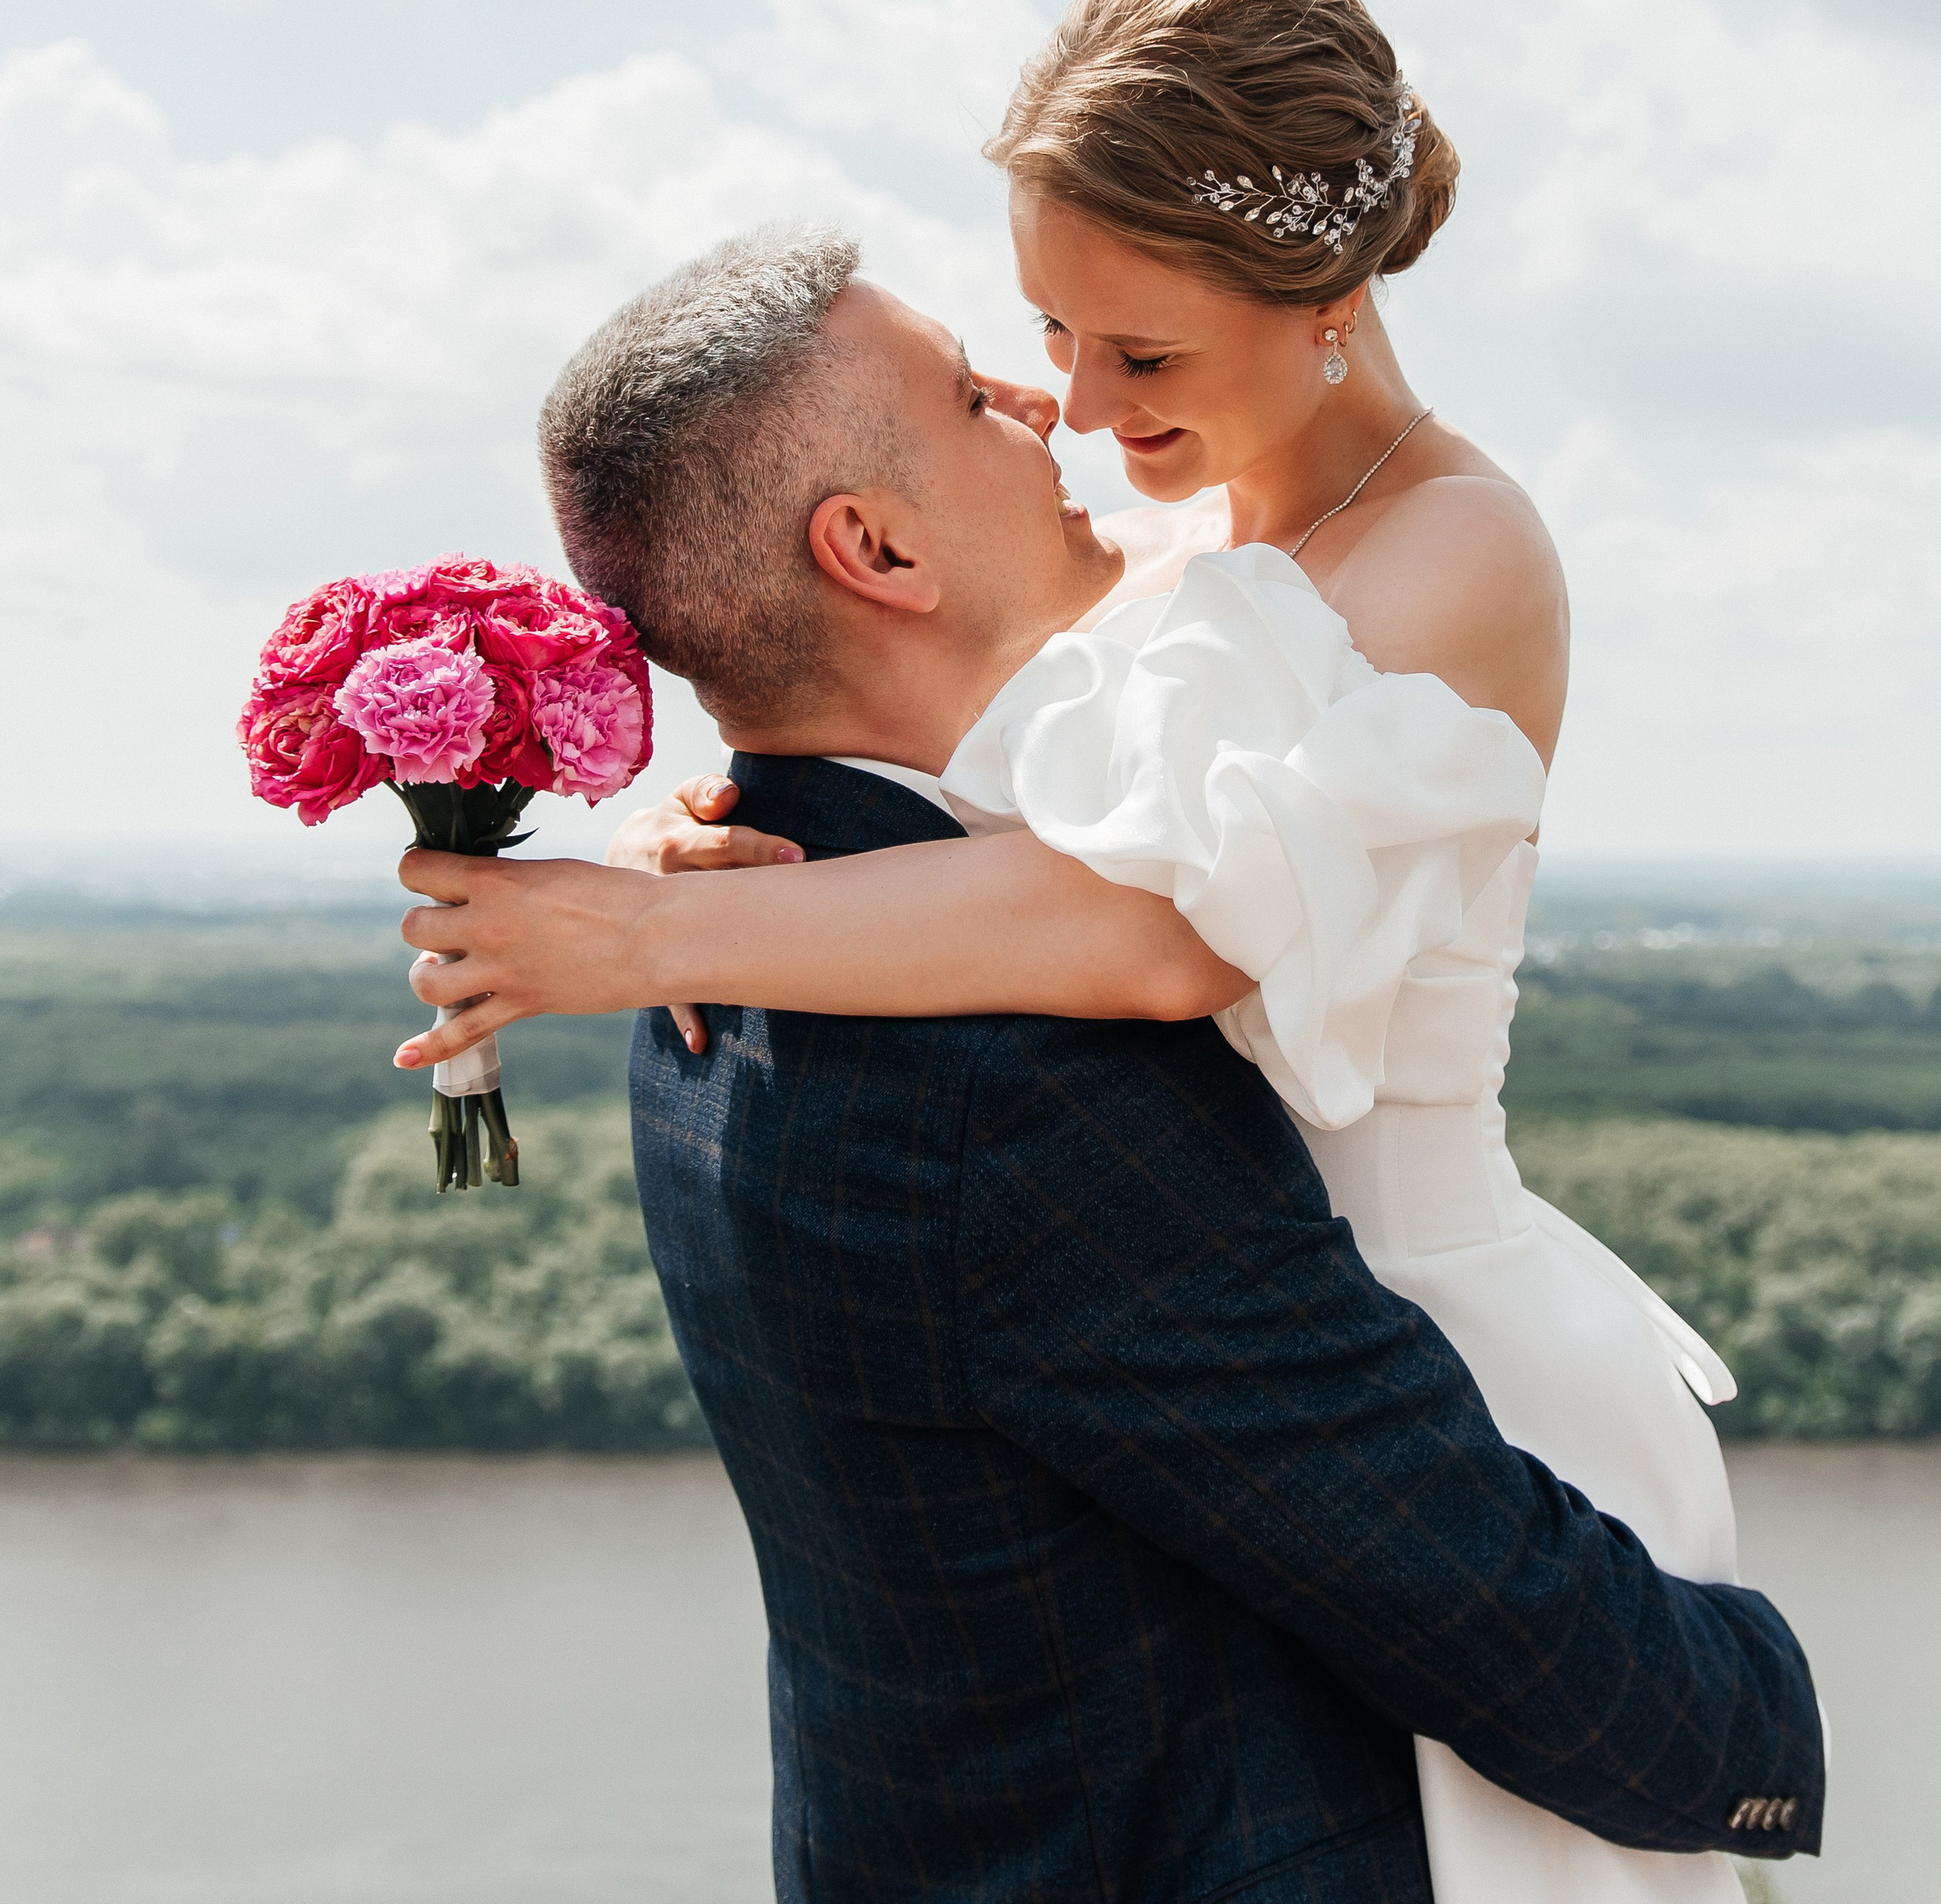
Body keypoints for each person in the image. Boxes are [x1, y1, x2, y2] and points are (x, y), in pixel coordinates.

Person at [395, 217, 1823, 1901]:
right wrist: (1751, 1728)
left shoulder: (719, 965)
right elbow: (1474, 1598)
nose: (1045, 403)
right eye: (970, 394)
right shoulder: (1004, 1086)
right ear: (872, 547)